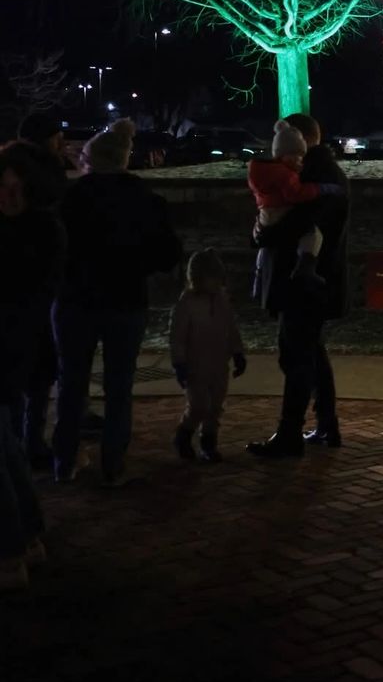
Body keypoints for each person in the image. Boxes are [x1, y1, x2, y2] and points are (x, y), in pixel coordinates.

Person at [52, 119, 183, 485]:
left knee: (72, 382)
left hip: (75, 299)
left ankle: (64, 461)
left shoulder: (69, 198)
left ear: (91, 159)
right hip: (125, 300)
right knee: (119, 385)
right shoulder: (146, 200)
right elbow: (167, 254)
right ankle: (113, 462)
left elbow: (53, 249)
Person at [247, 113, 350, 458]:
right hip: (310, 282)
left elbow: (301, 223)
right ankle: (325, 424)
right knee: (311, 352)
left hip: (303, 284)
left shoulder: (318, 176)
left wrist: (265, 235)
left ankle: (291, 432)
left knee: (297, 355)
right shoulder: (317, 172)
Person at [0, 145, 62, 589]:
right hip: (21, 347)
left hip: (13, 347)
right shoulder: (44, 228)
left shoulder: (35, 231)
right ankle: (31, 534)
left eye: (15, 189)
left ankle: (10, 551)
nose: (8, 197)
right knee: (7, 446)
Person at [9, 115, 69, 468]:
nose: (62, 146)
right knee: (35, 375)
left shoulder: (26, 174)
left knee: (24, 376)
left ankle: (20, 442)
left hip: (27, 291)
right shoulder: (45, 182)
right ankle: (28, 443)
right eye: (56, 140)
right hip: (35, 292)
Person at [170, 249, 247, 464]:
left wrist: (237, 352)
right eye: (212, 278)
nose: (216, 284)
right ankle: (184, 434)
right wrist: (179, 363)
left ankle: (208, 443)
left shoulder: (221, 300)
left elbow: (231, 328)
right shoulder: (187, 304)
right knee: (199, 405)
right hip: (196, 365)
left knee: (216, 406)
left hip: (219, 363)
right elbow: (178, 336)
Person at [248, 120, 334, 289]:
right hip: (289, 269)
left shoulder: (266, 171)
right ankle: (305, 267)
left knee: (263, 244)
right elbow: (297, 197)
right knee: (313, 234)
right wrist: (319, 189)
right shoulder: (290, 174)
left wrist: (261, 232)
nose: (299, 160)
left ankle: (258, 275)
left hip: (268, 220)